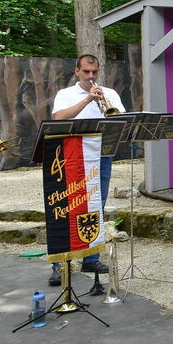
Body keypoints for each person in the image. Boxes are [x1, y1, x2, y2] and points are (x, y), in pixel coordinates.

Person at [49, 54, 126, 284]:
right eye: (86, 72)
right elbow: (57, 118)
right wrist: (86, 101)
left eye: (94, 72)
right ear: (77, 72)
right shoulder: (66, 94)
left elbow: (121, 120)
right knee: (66, 207)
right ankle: (60, 264)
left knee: (96, 206)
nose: (90, 76)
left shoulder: (109, 93)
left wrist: (105, 104)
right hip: (71, 157)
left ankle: (91, 258)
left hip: (101, 154)